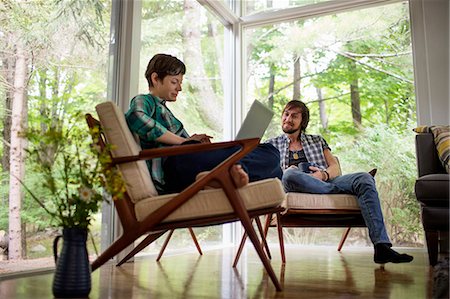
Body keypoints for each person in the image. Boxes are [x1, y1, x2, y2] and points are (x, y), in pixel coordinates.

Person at [265, 100, 413, 264]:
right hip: (293, 184)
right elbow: (268, 175)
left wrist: (323, 175)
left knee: (364, 178)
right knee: (290, 174)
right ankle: (339, 190)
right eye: (286, 114)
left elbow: (334, 166)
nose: (288, 119)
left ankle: (382, 247)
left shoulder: (316, 140)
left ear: (303, 121)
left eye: (294, 116)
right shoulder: (271, 145)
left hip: (325, 180)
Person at [125, 53, 282, 194]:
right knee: (262, 155)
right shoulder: (145, 100)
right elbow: (136, 117)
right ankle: (230, 174)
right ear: (155, 78)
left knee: (271, 152)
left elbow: (181, 142)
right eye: (174, 82)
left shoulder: (165, 109)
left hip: (187, 161)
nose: (179, 88)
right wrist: (184, 141)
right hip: (174, 167)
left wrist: (194, 141)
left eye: (180, 82)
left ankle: (227, 175)